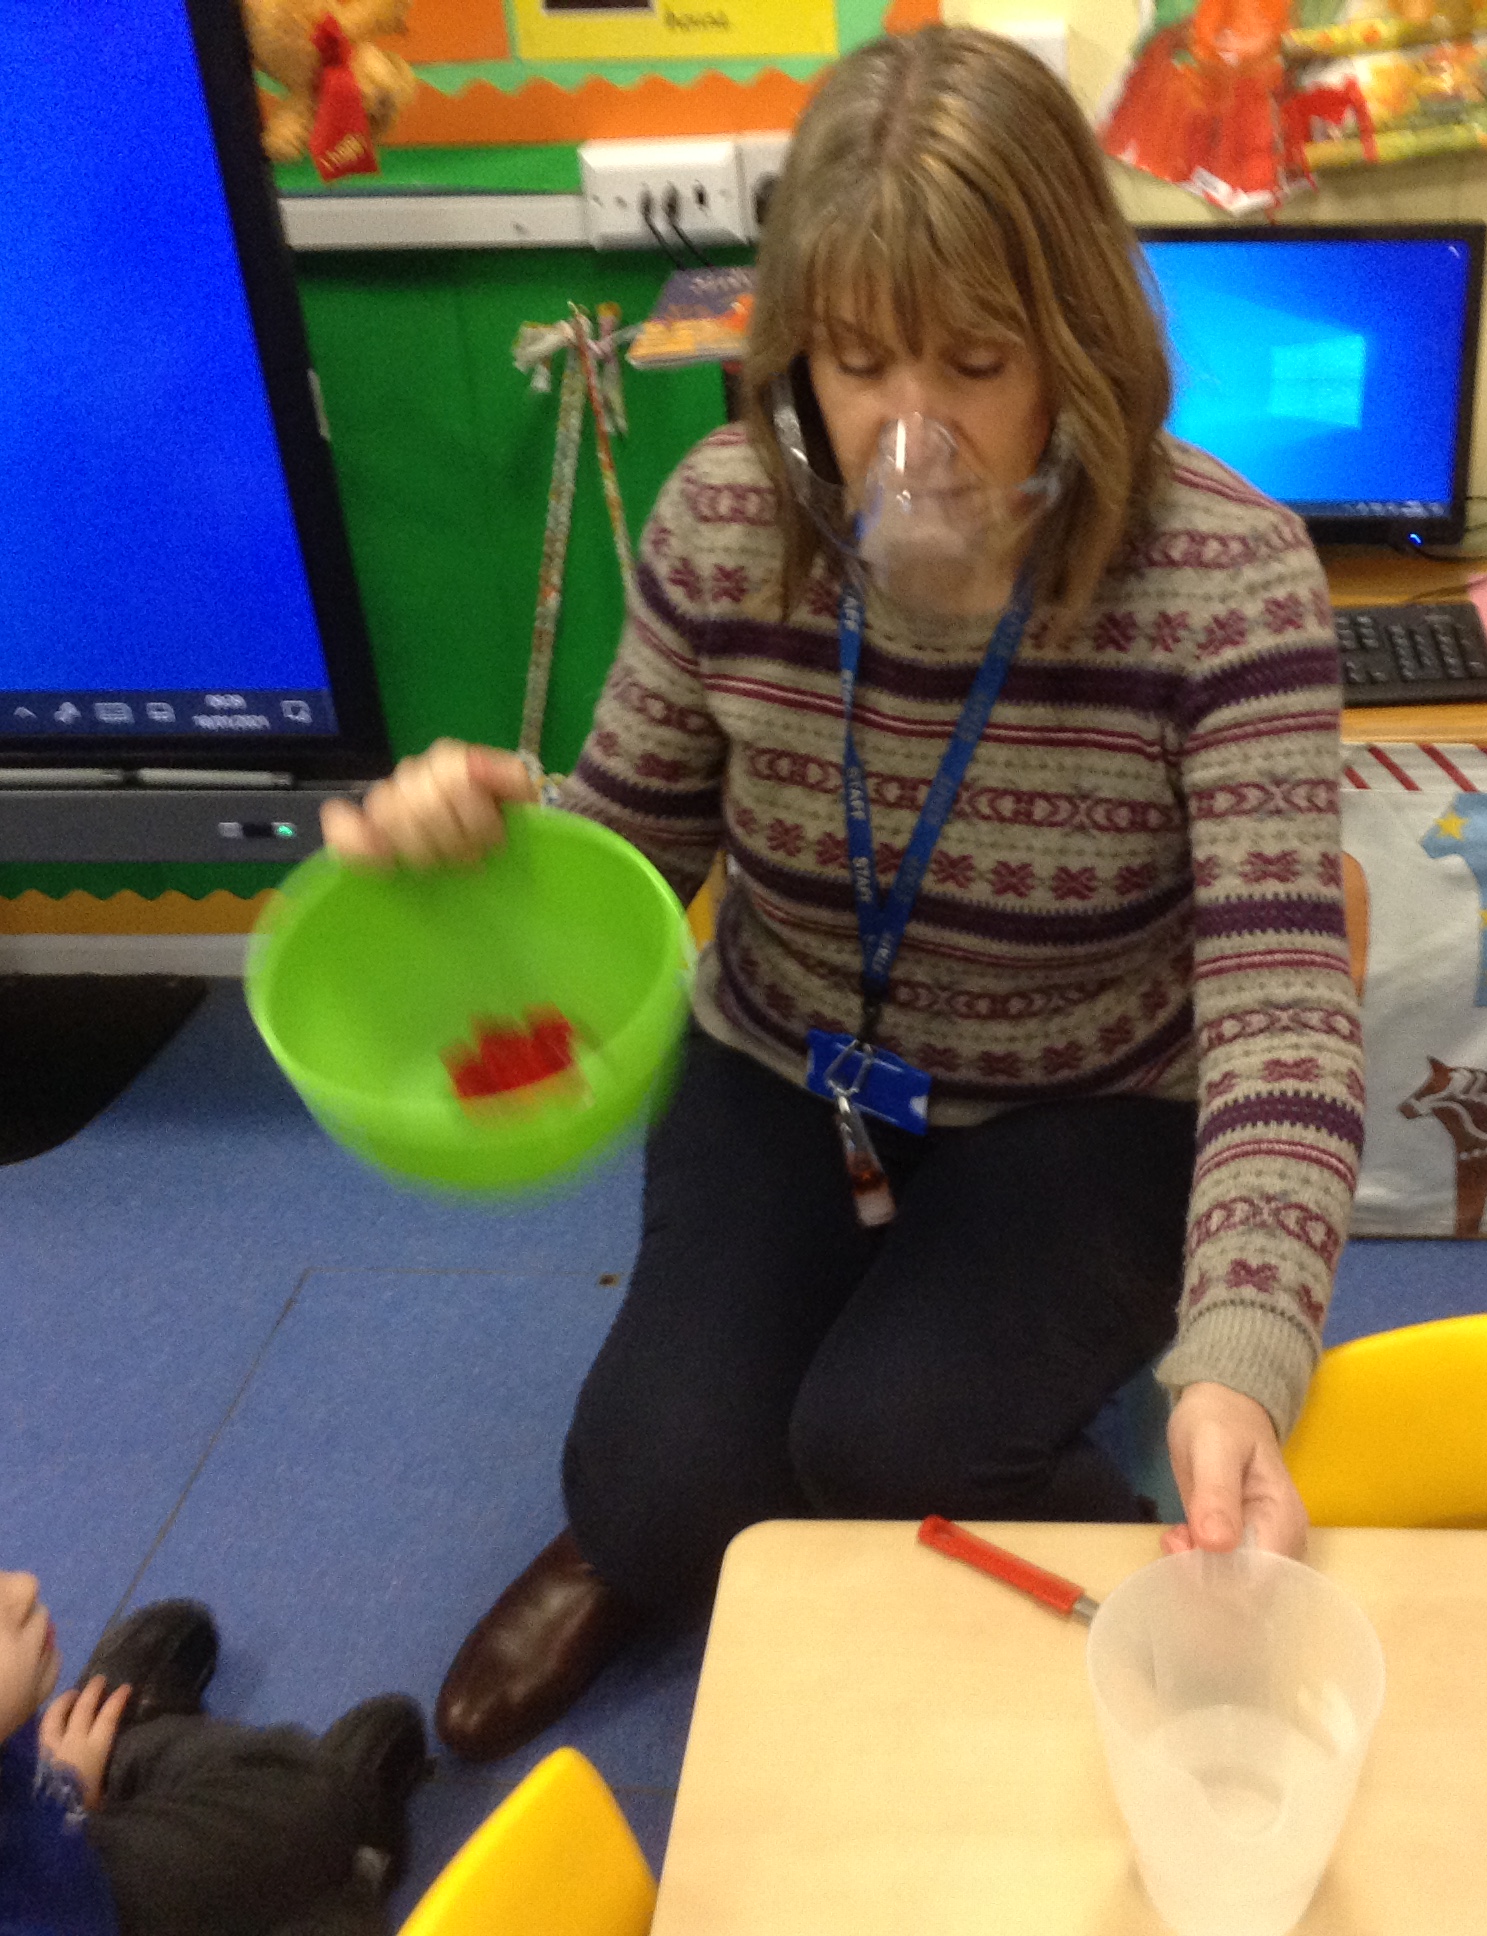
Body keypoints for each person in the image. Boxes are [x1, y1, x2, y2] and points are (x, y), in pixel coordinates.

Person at [322, 24, 1364, 1764]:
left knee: (887, 1442)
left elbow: (1280, 1005)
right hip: (789, 1060)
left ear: (1081, 351)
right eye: (858, 362)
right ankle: (631, 1538)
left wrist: (1240, 1359)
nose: (912, 432)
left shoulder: (1228, 579)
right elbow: (634, 850)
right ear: (795, 353)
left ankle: (1087, 1520)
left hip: (1084, 1094)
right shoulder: (728, 519)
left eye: (975, 360)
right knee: (665, 1490)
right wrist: (485, 853)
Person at [0, 1569, 429, 1936]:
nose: (22, 1588)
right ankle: (360, 1870)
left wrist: (67, 1786)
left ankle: (120, 1744)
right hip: (82, 1907)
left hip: (68, 1860)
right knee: (314, 1813)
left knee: (294, 1796)